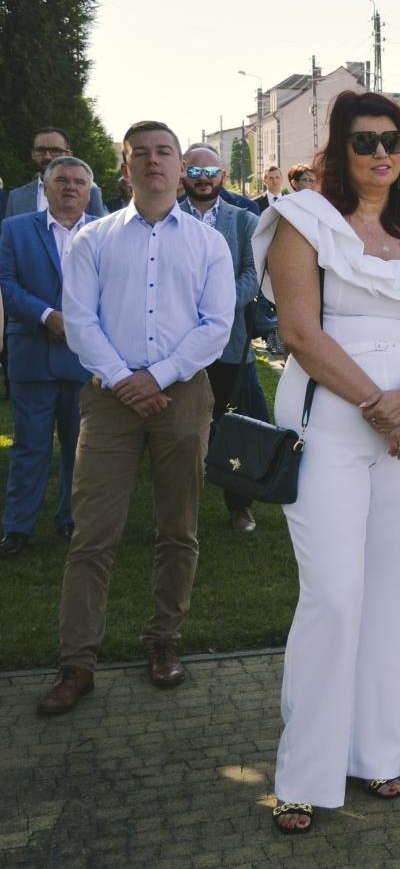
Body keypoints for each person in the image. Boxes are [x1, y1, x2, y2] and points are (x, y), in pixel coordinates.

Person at [255, 90, 400, 834]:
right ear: (339, 148)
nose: (380, 154)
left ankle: (376, 751)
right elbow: (300, 332)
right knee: (334, 594)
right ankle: (304, 769)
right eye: (365, 140)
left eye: (393, 143)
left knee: (391, 590)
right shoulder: (302, 220)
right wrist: (378, 402)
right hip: (331, 422)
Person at [37, 121, 234, 716]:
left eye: (164, 153)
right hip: (109, 396)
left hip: (181, 396)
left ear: (181, 167)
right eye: (140, 154)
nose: (153, 163)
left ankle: (163, 642)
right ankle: (78, 663)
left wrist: (161, 376)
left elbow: (217, 326)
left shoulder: (209, 244)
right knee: (93, 533)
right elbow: (81, 320)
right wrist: (126, 380)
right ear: (124, 169)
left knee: (178, 528)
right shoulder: (92, 240)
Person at [0, 156, 95, 557]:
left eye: (78, 182)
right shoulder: (14, 229)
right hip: (33, 353)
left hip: (86, 359)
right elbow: (5, 281)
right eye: (61, 180)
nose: (70, 188)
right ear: (45, 186)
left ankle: (71, 520)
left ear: (89, 191)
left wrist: (76, 323)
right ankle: (17, 527)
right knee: (30, 446)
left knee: (81, 447)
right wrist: (47, 316)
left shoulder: (105, 233)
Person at [179, 146, 263, 533]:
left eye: (210, 170)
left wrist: (217, 305)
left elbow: (253, 274)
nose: (203, 177)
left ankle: (239, 506)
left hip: (231, 343)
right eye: (195, 169)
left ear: (223, 175)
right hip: (177, 344)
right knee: (182, 430)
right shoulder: (167, 216)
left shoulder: (245, 221)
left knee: (233, 427)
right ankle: (182, 509)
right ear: (183, 172)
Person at [5, 127, 108, 220]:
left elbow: (101, 231)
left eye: (55, 150)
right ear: (33, 154)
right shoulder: (16, 197)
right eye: (41, 150)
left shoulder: (89, 192)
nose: (47, 157)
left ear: (69, 155)